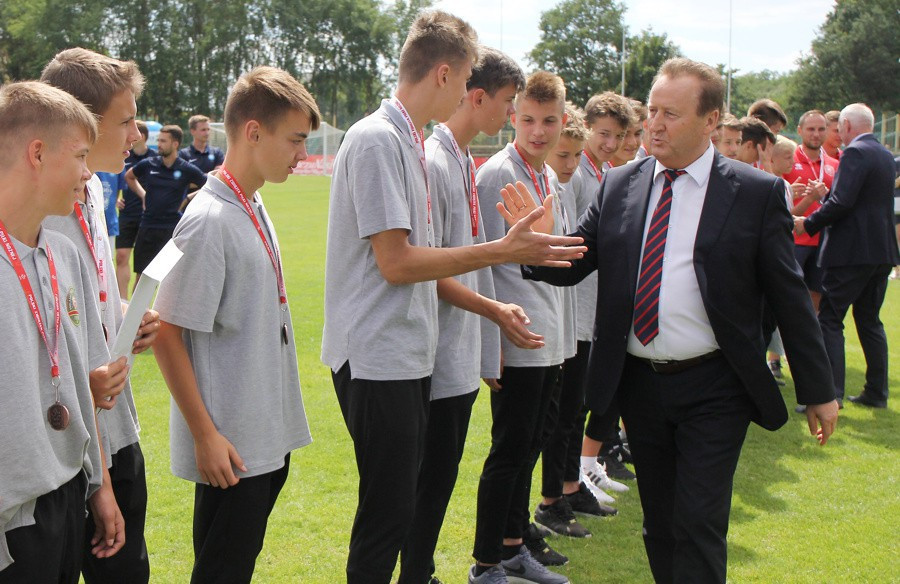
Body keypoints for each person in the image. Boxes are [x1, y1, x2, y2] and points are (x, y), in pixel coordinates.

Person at [522, 57, 839, 584]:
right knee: (661, 526)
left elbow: (789, 296)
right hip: (640, 386)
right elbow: (577, 257)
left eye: (671, 114)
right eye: (652, 111)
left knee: (698, 523)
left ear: (711, 120)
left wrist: (820, 389)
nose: (655, 124)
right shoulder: (620, 184)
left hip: (717, 386)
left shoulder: (753, 193)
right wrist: (530, 247)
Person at [321, 12, 585, 584]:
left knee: (400, 508)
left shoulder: (409, 142)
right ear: (444, 74)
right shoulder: (377, 138)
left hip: (405, 353)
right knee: (387, 516)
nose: (470, 92)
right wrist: (501, 253)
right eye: (466, 79)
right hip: (376, 354)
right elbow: (396, 263)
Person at [153, 66, 319, 583]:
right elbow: (167, 333)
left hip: (263, 433)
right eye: (295, 140)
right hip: (231, 444)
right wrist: (205, 436)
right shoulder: (209, 219)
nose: (302, 155)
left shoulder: (251, 201)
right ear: (253, 132)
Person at [397, 45, 531, 584]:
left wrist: (486, 340)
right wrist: (495, 311)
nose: (511, 113)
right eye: (507, 101)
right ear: (476, 97)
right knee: (427, 483)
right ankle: (416, 574)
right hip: (436, 351)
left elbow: (466, 259)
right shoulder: (435, 161)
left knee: (438, 479)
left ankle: (421, 571)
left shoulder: (459, 158)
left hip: (457, 349)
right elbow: (431, 268)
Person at [41, 46, 161, 584]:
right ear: (83, 124)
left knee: (131, 567)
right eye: (127, 121)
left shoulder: (92, 187)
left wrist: (127, 316)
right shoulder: (38, 209)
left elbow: (90, 292)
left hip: (117, 421)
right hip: (71, 439)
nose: (137, 133)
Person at [0, 80, 125, 583]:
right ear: (36, 154)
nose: (88, 172)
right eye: (79, 156)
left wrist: (101, 486)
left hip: (69, 494)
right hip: (11, 516)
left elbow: (80, 387)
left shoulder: (64, 256)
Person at [470, 70, 574, 584]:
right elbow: (482, 262)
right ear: (513, 117)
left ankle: (512, 546)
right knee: (510, 451)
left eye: (548, 121)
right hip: (516, 337)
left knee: (531, 445)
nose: (538, 131)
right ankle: (486, 562)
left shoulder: (547, 175)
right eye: (528, 119)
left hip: (547, 336)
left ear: (562, 121)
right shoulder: (497, 174)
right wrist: (491, 342)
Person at [537, 102, 619, 542]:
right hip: (565, 315)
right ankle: (553, 497)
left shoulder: (575, 180)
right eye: (562, 155)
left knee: (571, 409)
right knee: (558, 417)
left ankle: (568, 487)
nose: (613, 143)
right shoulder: (569, 182)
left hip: (579, 316)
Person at [795, 103, 900, 409]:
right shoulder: (884, 155)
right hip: (881, 252)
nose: (838, 132)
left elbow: (843, 202)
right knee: (869, 320)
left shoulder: (854, 153)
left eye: (839, 127)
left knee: (829, 318)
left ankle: (830, 394)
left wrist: (808, 223)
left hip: (851, 252)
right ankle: (876, 392)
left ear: (848, 126)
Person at [125, 124, 206, 284]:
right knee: (143, 280)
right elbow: (129, 176)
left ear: (175, 144)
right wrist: (143, 195)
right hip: (147, 227)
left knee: (171, 281)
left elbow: (209, 185)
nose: (159, 144)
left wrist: (188, 198)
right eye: (158, 140)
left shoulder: (186, 169)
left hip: (172, 230)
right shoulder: (149, 164)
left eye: (163, 141)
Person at [784, 110, 839, 316]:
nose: (816, 134)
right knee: (789, 295)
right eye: (811, 129)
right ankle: (783, 339)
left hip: (822, 241)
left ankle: (812, 336)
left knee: (817, 295)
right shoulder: (789, 159)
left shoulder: (834, 164)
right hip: (794, 239)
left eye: (821, 129)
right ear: (799, 131)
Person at [116, 121, 157, 299]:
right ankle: (122, 302)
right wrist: (115, 199)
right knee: (121, 256)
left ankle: (136, 306)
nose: (129, 136)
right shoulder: (124, 156)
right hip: (126, 214)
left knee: (144, 266)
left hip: (148, 218)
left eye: (133, 133)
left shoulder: (155, 159)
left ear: (143, 136)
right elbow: (113, 179)